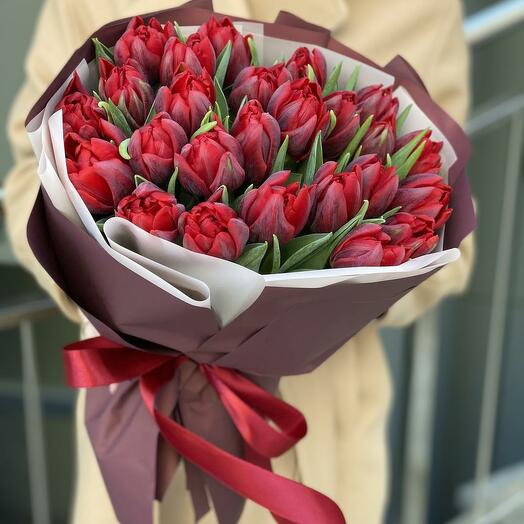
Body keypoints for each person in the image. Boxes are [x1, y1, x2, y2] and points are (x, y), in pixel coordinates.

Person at [3, 0, 474, 523]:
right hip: (137, 414)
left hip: (316, 430)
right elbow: (29, 177)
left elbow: (450, 242)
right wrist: (131, 303)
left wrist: (319, 303)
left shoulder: (420, 8)